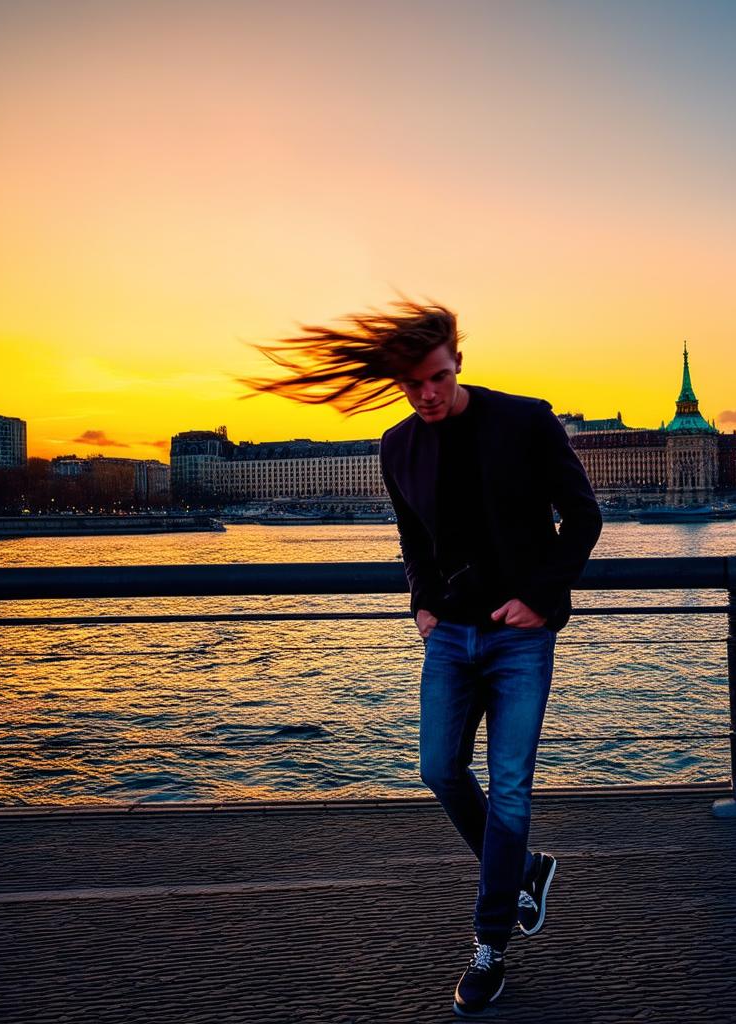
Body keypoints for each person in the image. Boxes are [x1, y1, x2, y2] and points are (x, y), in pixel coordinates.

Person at [245, 299, 602, 1017]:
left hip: (520, 636)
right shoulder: (396, 445)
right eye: (413, 386)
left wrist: (539, 597)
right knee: (438, 768)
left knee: (510, 789)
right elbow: (413, 540)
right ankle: (526, 872)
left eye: (437, 378)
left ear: (459, 362)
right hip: (450, 637)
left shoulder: (526, 420)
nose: (428, 395)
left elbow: (583, 518)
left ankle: (489, 947)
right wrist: (421, 603)